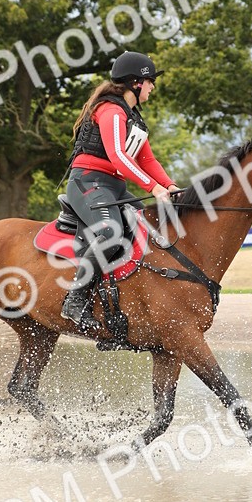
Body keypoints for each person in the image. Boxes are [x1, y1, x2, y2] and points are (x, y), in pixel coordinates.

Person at [61, 51, 179, 330]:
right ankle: (74, 300)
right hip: (88, 183)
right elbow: (119, 157)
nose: (153, 88)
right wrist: (153, 187)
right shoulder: (111, 111)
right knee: (110, 233)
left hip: (114, 188)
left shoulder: (133, 118)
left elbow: (147, 160)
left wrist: (170, 185)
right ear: (136, 83)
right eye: (151, 82)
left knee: (151, 229)